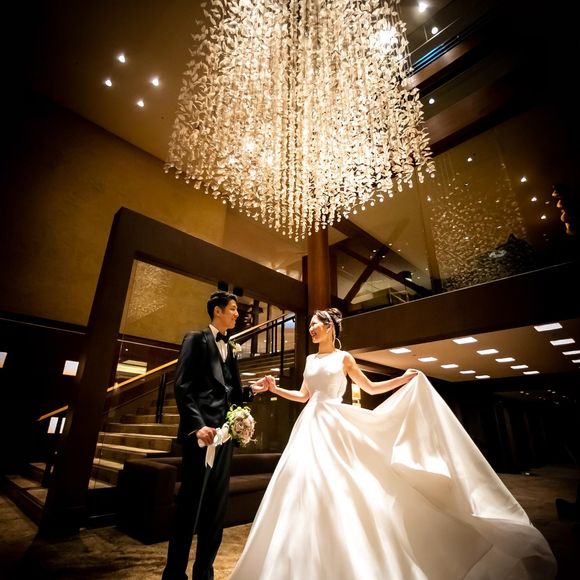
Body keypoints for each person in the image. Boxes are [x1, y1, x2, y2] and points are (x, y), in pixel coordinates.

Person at [229, 308, 557, 580]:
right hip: (309, 428)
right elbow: (304, 396)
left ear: (329, 327)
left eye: (315, 324)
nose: (311, 329)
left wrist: (401, 379)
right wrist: (274, 389)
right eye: (311, 325)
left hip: (334, 426)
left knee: (340, 487)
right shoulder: (311, 360)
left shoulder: (344, 358)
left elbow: (370, 389)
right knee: (301, 486)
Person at [162, 290, 269, 580]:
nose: (237, 313)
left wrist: (252, 390)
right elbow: (182, 386)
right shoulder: (195, 339)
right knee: (189, 508)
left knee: (215, 510)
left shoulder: (231, 348)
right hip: (201, 438)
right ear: (217, 311)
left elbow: (230, 392)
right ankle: (174, 575)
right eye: (232, 308)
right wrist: (197, 425)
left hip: (224, 438)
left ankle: (204, 574)